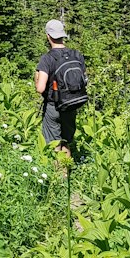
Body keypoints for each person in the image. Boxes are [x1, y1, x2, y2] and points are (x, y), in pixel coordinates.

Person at [34, 19, 83, 158]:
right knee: (66, 142)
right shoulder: (76, 55)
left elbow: (40, 88)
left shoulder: (47, 59)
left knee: (55, 144)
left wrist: (36, 76)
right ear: (63, 35)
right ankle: (67, 174)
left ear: (48, 36)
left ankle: (59, 177)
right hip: (71, 105)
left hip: (53, 106)